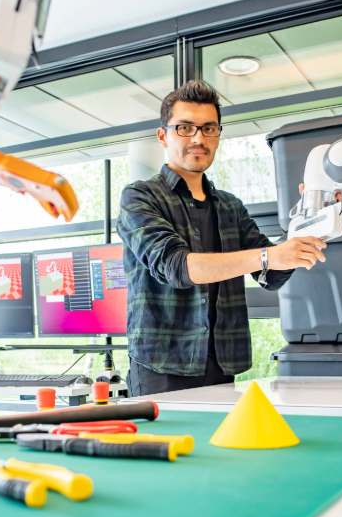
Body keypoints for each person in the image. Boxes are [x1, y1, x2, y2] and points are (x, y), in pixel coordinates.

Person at [117, 81, 328, 396]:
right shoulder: (139, 197)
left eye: (209, 129)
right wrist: (268, 256)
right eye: (185, 128)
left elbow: (271, 275)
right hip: (162, 365)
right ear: (163, 136)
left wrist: (309, 222)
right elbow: (177, 267)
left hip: (222, 363)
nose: (199, 138)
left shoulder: (230, 206)